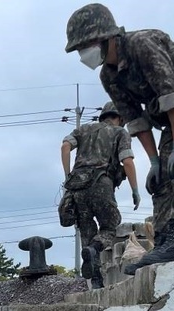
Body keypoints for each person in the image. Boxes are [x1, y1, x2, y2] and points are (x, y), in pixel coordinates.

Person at [64, 3, 174, 275]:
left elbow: (173, 96)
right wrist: (154, 161)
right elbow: (136, 122)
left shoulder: (142, 45)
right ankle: (164, 240)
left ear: (105, 37)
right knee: (161, 177)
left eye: (86, 46)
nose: (84, 54)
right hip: (173, 119)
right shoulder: (109, 75)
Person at [61, 100, 140, 289]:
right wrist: (135, 190)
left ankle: (96, 280)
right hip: (101, 183)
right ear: (120, 118)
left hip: (77, 187)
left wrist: (67, 176)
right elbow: (127, 161)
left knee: (87, 230)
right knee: (110, 225)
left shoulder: (84, 129)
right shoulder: (120, 132)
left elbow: (64, 147)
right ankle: (93, 249)